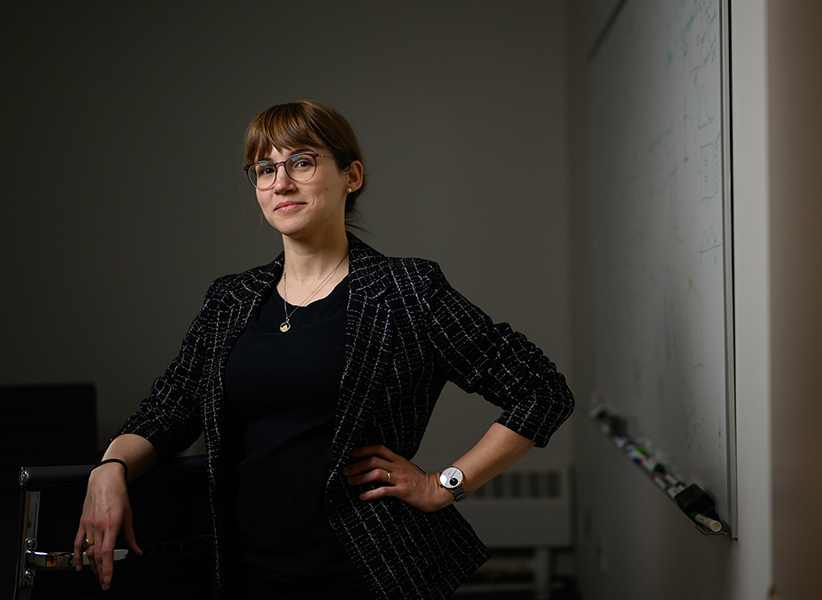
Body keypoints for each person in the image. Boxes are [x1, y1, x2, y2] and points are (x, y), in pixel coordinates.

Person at [73, 100, 574, 600]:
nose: (280, 183)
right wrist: (110, 467)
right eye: (264, 169)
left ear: (350, 176)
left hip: (367, 575)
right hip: (245, 572)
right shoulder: (231, 299)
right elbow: (170, 407)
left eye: (302, 162)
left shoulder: (407, 290)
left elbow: (541, 390)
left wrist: (443, 484)